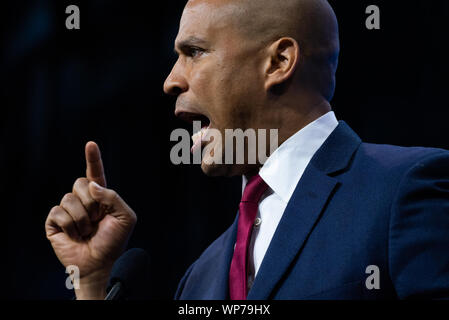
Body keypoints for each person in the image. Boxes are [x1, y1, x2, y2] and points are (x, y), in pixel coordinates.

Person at [45, 0, 449, 300]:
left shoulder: (405, 191)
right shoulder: (200, 278)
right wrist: (94, 284)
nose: (171, 81)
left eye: (194, 52)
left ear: (279, 61)